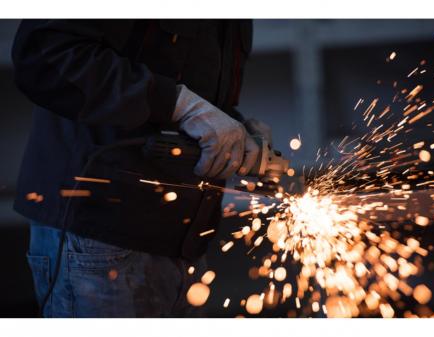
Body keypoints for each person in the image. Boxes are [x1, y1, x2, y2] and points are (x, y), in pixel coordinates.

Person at [12, 19, 272, 317]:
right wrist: (178, 104)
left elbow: (193, 84)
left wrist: (235, 130)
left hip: (182, 241)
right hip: (99, 243)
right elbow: (44, 55)